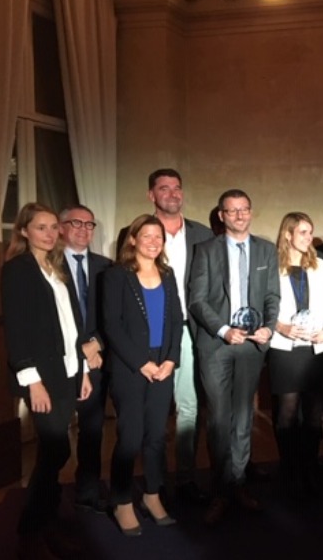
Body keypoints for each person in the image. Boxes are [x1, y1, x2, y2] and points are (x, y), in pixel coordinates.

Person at [117, 168, 214, 504]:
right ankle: (153, 484)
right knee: (151, 415)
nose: (172, 194)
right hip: (148, 335)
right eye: (164, 188)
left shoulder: (203, 234)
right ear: (151, 195)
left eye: (177, 188)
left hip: (191, 329)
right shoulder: (134, 233)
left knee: (189, 407)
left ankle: (185, 479)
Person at [2, 203, 92, 556]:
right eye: (41, 227)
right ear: (24, 231)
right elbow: (16, 330)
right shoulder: (18, 270)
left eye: (54, 227)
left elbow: (73, 326)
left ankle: (48, 514)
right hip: (42, 376)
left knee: (54, 449)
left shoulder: (57, 267)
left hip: (68, 370)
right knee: (57, 448)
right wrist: (32, 381)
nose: (50, 234)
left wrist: (83, 370)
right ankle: (31, 526)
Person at [189, 189, 280, 524]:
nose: (240, 216)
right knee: (218, 419)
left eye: (244, 209)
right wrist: (224, 330)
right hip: (217, 345)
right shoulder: (205, 250)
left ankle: (238, 484)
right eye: (232, 210)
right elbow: (197, 300)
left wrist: (269, 327)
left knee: (243, 418)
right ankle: (220, 490)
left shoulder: (266, 250)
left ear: (251, 212)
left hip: (252, 345)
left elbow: (272, 295)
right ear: (221, 215)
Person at [104, 214, 182, 535]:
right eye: (146, 236)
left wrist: (171, 360)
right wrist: (141, 363)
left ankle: (152, 495)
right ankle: (122, 500)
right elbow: (112, 325)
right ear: (133, 239)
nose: (153, 242)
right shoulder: (116, 275)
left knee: (156, 436)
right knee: (131, 436)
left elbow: (176, 321)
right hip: (130, 367)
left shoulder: (168, 274)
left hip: (163, 364)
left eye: (158, 237)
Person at [268, 212, 323, 497]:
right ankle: (290, 470)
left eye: (311, 232)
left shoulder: (320, 265)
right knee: (287, 415)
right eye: (303, 232)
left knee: (313, 415)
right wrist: (280, 326)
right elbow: (264, 304)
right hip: (285, 348)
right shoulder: (272, 265)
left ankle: (310, 467)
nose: (309, 237)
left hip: (315, 348)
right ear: (288, 234)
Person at [58, 205, 112, 513]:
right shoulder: (47, 265)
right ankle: (47, 494)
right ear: (62, 227)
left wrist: (97, 344)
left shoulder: (107, 267)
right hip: (60, 360)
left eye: (89, 224)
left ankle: (88, 490)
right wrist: (78, 349)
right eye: (76, 223)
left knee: (92, 429)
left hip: (97, 360)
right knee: (55, 435)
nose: (83, 229)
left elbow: (114, 314)